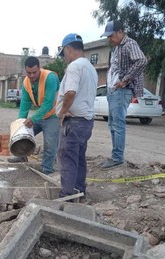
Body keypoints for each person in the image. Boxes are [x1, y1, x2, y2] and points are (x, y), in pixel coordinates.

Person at [100, 20, 147, 169]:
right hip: (114, 91)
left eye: (111, 35)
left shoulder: (129, 44)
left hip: (121, 91)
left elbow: (142, 60)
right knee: (113, 125)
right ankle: (116, 156)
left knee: (118, 125)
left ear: (120, 32)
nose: (109, 39)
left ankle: (117, 158)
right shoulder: (118, 47)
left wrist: (125, 80)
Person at [55, 33, 98, 198]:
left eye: (64, 52)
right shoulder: (90, 68)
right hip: (86, 122)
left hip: (73, 122)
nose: (64, 57)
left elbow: (71, 91)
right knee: (79, 159)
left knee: (67, 159)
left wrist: (63, 111)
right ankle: (79, 191)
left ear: (69, 48)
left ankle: (66, 195)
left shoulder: (74, 66)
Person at [7, 56, 60, 175]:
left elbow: (48, 103)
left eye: (34, 72)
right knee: (22, 135)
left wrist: (33, 119)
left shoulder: (50, 78)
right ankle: (22, 156)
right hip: (40, 115)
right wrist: (20, 123)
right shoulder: (26, 82)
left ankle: (47, 170)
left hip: (53, 115)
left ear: (39, 68)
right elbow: (25, 104)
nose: (31, 76)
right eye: (28, 73)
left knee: (50, 144)